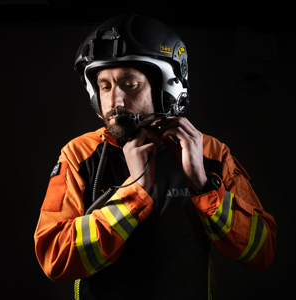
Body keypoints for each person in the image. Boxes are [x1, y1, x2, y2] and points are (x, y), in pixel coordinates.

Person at [34, 14, 276, 299]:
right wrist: (133, 195)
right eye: (105, 86)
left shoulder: (211, 153)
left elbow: (262, 252)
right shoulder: (79, 154)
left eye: (130, 84)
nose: (115, 102)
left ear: (166, 87)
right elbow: (55, 260)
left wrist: (204, 185)